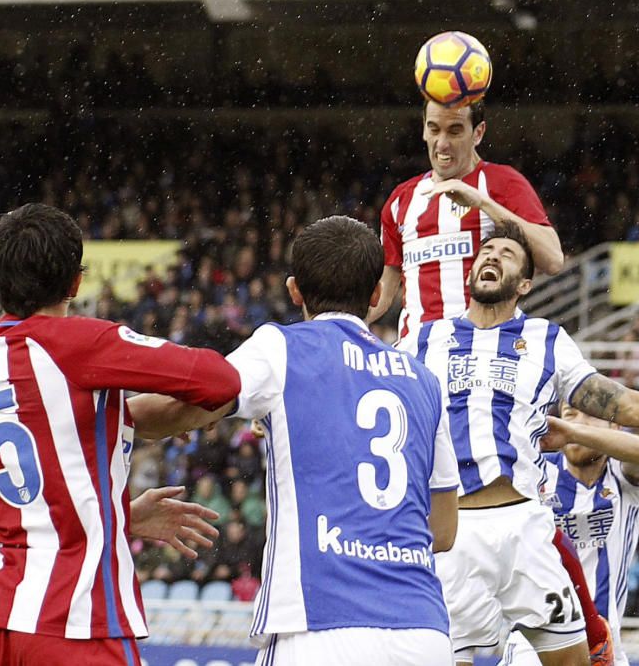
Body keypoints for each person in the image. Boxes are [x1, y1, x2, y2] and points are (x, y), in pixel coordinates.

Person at [400, 223, 639, 666]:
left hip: (526, 523)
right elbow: (365, 395)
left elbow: (624, 405)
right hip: (456, 528)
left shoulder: (547, 340)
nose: (493, 257)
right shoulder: (423, 341)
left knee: (576, 662)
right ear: (471, 270)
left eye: (507, 254)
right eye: (487, 250)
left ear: (524, 284)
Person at [149, 216, 461, 665]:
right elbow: (443, 531)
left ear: (294, 291)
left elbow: (191, 405)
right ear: (376, 295)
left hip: (320, 625)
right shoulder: (423, 379)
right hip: (420, 630)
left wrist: (107, 413)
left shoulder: (281, 347)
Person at [0, 204, 241, 665]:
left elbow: (27, 470)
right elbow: (220, 380)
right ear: (76, 283)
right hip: (71, 619)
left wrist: (116, 515)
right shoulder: (76, 344)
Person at [371, 100, 564, 341]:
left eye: (454, 131)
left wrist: (482, 203)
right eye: (434, 129)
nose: (442, 143)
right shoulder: (401, 200)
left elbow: (553, 260)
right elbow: (384, 294)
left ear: (478, 132)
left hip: (483, 353)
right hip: (417, 359)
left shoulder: (503, 183)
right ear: (423, 129)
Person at [501, 408, 639, 666]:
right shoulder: (537, 471)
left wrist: (573, 432)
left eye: (590, 415)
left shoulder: (622, 476)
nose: (577, 422)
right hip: (536, 644)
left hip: (606, 648)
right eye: (570, 414)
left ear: (615, 428)